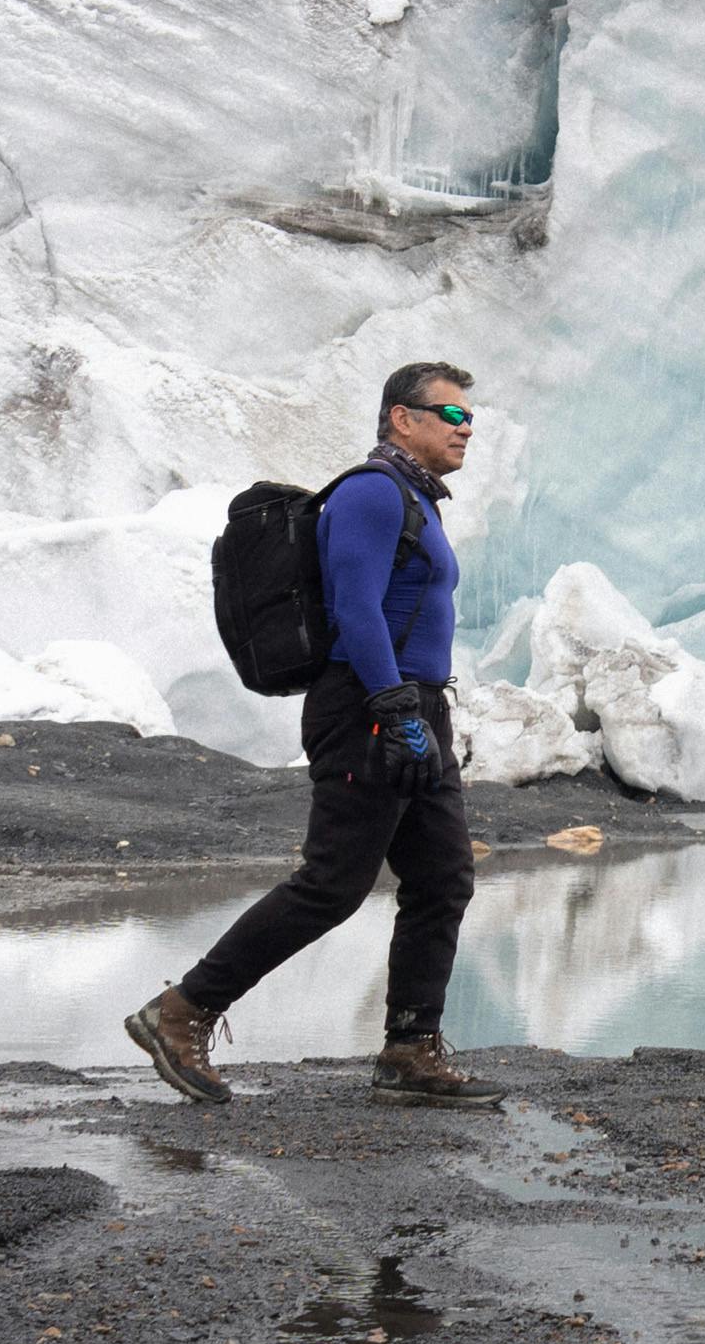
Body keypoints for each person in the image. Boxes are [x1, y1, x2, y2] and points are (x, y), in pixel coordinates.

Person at [125, 361, 495, 1109]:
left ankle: (409, 1048)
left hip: (415, 705)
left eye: (470, 419)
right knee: (333, 883)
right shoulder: (370, 493)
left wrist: (418, 712)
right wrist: (393, 709)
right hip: (368, 703)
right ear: (402, 418)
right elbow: (358, 609)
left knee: (443, 877)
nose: (467, 430)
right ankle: (182, 1009)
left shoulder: (418, 500)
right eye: (452, 416)